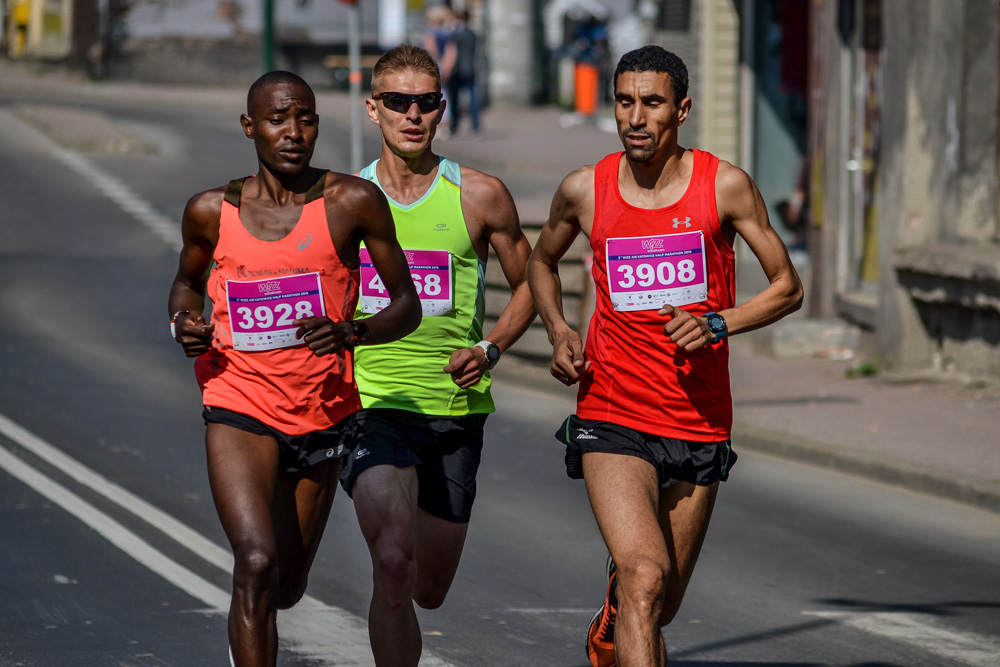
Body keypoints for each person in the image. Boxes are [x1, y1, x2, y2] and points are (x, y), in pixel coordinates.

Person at [527, 46, 803, 667]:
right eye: (625, 101)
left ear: (681, 110)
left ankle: (611, 623)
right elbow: (540, 261)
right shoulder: (585, 188)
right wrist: (558, 330)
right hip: (611, 411)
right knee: (645, 577)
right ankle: (626, 604)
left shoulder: (723, 185)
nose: (636, 117)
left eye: (652, 103)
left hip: (698, 417)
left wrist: (717, 322)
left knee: (660, 599)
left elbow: (787, 286)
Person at [167, 70, 421, 667]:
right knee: (255, 561)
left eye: (305, 118)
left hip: (322, 413)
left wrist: (353, 330)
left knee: (285, 584)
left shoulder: (352, 203)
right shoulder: (210, 211)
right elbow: (185, 283)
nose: (293, 132)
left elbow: (406, 304)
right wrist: (183, 322)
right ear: (249, 127)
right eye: (278, 119)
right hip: (238, 403)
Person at [341, 44, 535, 667]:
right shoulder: (341, 200)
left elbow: (534, 282)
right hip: (371, 404)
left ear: (442, 110)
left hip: (454, 409)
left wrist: (491, 346)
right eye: (397, 102)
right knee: (393, 563)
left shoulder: (479, 196)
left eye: (425, 103)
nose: (412, 115)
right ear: (373, 109)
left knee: (429, 588)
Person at [442, 10, 481, 135]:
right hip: (470, 68)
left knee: (455, 98)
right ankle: (475, 125)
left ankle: (455, 124)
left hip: (457, 70)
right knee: (473, 98)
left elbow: (452, 52)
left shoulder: (455, 34)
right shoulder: (472, 34)